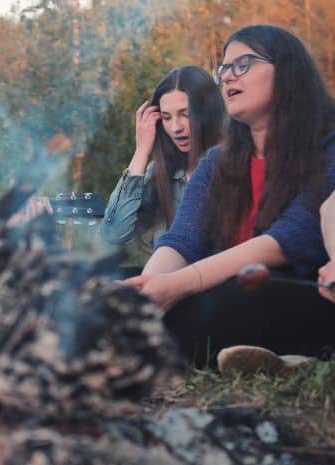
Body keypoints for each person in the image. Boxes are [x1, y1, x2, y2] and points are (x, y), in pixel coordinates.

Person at [124, 25, 335, 367]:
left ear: (288, 71)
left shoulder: (327, 148)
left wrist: (177, 286)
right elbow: (182, 240)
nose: (228, 77)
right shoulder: (215, 163)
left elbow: (289, 238)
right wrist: (147, 289)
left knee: (233, 297)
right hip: (224, 292)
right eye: (224, 69)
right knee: (115, 282)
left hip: (296, 293)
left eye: (244, 63)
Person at [102, 66, 225, 271]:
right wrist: (141, 151)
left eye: (185, 114)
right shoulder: (162, 173)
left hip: (221, 293)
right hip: (165, 291)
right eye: (167, 118)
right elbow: (114, 233)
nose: (176, 127)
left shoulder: (235, 162)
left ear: (208, 112)